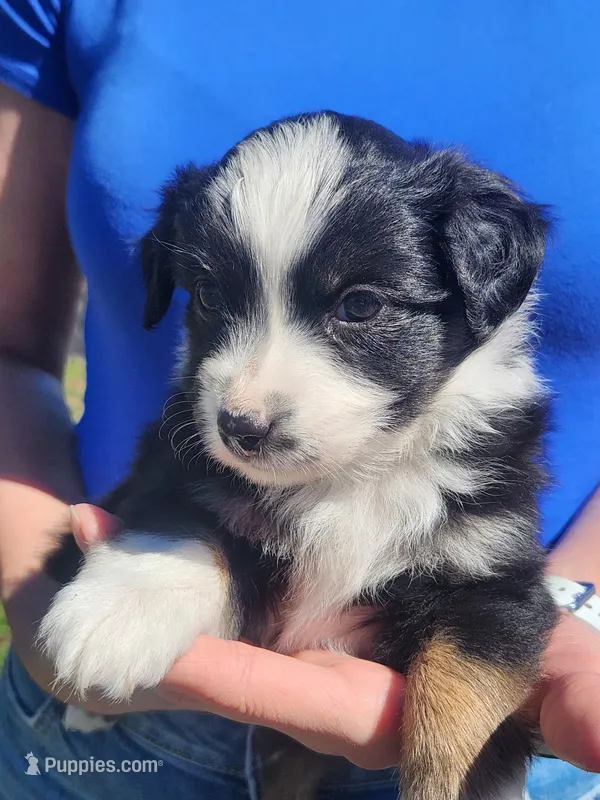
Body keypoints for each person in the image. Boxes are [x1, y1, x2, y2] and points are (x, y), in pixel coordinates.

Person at [0, 1, 598, 798]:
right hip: (102, 737)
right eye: (214, 299)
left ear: (479, 285)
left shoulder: (484, 464)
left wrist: (560, 623)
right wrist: (63, 603)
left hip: (471, 721)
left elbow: (491, 609)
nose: (248, 402)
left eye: (356, 308)